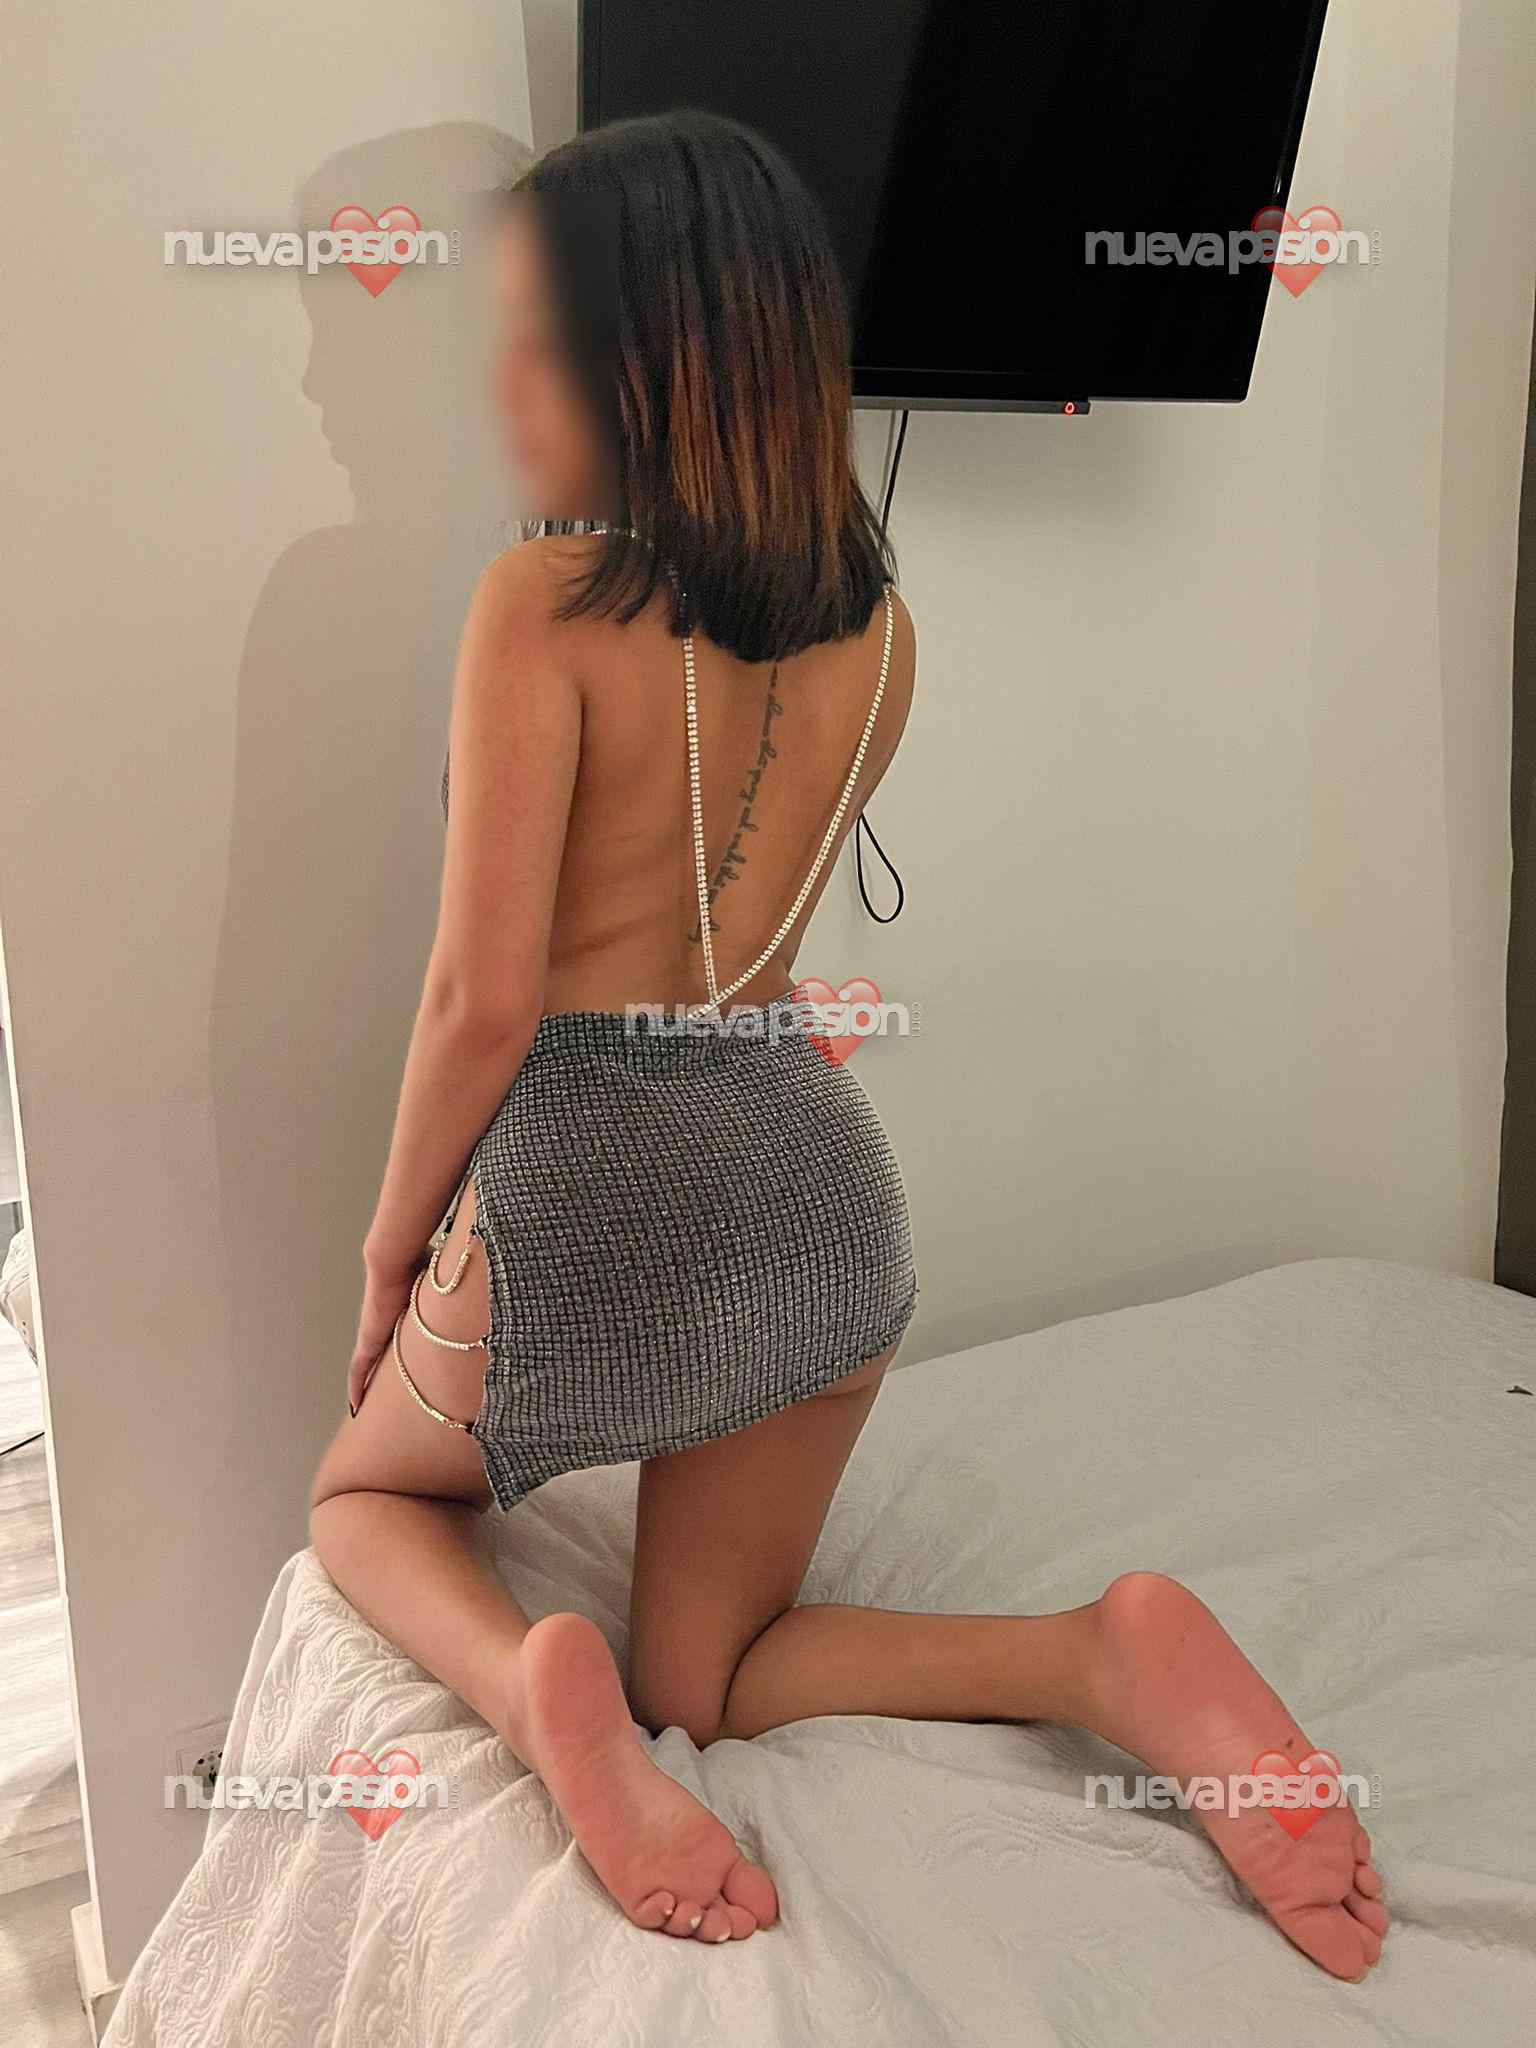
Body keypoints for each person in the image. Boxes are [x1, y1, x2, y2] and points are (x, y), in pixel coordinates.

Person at [309, 110, 1387, 1977]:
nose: (499, 385)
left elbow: (483, 1001)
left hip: (590, 1166)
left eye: (538, 343)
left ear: (660, 360)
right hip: (818, 1189)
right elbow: (768, 960)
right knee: (707, 1683)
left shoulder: (538, 603)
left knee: (360, 1501)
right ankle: (1097, 1657)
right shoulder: (878, 625)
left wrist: (392, 1249)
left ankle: (531, 1681)